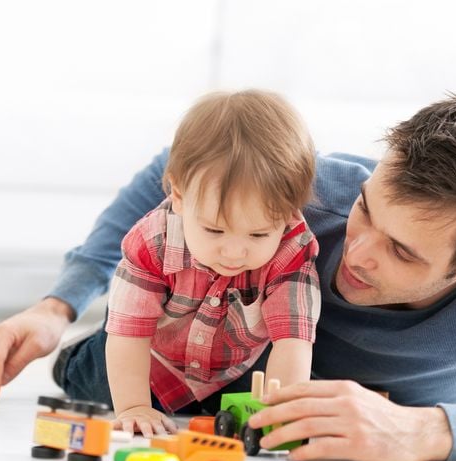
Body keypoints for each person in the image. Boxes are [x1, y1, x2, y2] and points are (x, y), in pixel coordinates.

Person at [0, 95, 456, 461]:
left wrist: (431, 432)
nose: (354, 251)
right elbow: (175, 170)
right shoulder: (316, 193)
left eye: (400, 251)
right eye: (367, 209)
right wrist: (60, 302)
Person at [104, 91, 320, 437]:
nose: (234, 253)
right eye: (215, 229)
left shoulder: (292, 250)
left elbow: (293, 340)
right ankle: (76, 357)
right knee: (90, 376)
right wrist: (133, 406)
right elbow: (129, 334)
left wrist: (278, 418)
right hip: (147, 364)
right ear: (178, 195)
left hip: (232, 371)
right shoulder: (152, 240)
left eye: (258, 234)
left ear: (291, 211)